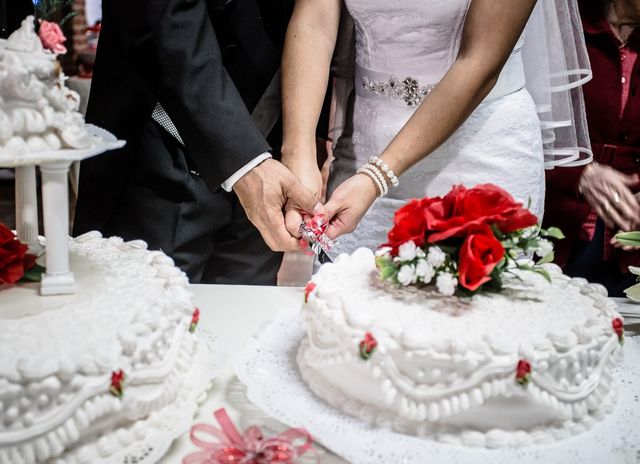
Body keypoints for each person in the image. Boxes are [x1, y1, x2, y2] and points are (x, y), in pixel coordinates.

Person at [280, 0, 591, 256]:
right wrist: (298, 152)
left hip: (480, 153)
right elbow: (314, 22)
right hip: (366, 144)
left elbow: (480, 62)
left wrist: (376, 177)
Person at [73, 0, 322, 285]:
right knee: (146, 312)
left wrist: (305, 141)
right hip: (163, 149)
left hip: (276, 148)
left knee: (247, 316)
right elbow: (156, 16)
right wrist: (245, 162)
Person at [544, 0, 640, 296]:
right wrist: (579, 174)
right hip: (554, 224)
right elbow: (522, 130)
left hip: (630, 238)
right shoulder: (563, 29)